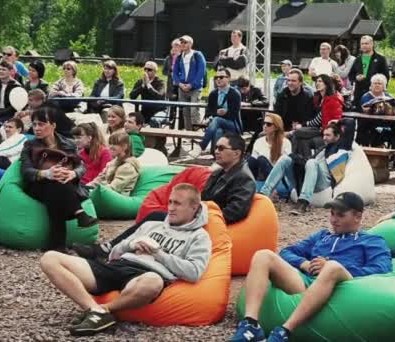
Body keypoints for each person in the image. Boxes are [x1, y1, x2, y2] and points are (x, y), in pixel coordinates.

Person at [40, 183, 212, 336]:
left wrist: (158, 254)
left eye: (178, 204)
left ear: (194, 208)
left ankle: (104, 310)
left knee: (153, 282)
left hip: (146, 275)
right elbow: (113, 253)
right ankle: (94, 310)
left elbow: (194, 273)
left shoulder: (199, 237)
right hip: (118, 265)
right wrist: (131, 244)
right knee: (50, 259)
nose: (171, 208)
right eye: (170, 202)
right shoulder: (152, 225)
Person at [230, 192, 392, 342]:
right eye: (332, 214)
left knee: (332, 267)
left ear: (357, 217)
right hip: (308, 283)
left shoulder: (372, 241)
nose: (334, 220)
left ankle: (284, 332)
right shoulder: (323, 236)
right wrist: (305, 264)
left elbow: (382, 269)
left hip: (343, 288)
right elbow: (287, 251)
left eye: (341, 215)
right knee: (263, 255)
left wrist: (333, 266)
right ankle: (250, 325)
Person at [72, 133, 256, 259]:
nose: (217, 151)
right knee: (155, 220)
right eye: (216, 147)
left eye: (222, 148)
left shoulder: (243, 178)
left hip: (209, 223)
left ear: (237, 153)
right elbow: (202, 198)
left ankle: (109, 250)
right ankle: (113, 250)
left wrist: (196, 217)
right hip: (201, 217)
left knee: (156, 218)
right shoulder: (219, 173)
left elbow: (235, 212)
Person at [21, 106, 97, 250]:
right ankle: (79, 213)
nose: (37, 128)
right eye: (34, 124)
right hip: (39, 185)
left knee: (57, 186)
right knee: (54, 183)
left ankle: (57, 245)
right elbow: (26, 171)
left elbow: (82, 166)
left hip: (65, 184)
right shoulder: (30, 145)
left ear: (53, 125)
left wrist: (73, 174)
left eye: (41, 124)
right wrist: (46, 173)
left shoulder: (68, 143)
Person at [260, 119, 355, 213]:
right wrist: (297, 159)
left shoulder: (342, 147)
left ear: (337, 136)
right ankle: (263, 194)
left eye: (328, 135)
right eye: (324, 135)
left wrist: (338, 123)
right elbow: (307, 164)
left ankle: (303, 202)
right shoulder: (322, 149)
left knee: (312, 162)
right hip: (308, 179)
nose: (324, 138)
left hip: (323, 183)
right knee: (286, 159)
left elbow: (350, 123)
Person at [189, 69, 242, 158]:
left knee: (217, 119)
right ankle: (217, 156)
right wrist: (215, 113)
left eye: (221, 77)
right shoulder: (213, 94)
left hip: (232, 124)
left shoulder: (235, 93)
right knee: (218, 131)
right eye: (216, 77)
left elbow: (234, 114)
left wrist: (225, 112)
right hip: (217, 125)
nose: (218, 79)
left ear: (228, 79)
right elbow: (209, 112)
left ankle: (201, 146)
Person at [292, 74, 344, 159]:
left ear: (327, 84)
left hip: (326, 130)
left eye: (320, 81)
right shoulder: (320, 98)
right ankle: (305, 161)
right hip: (320, 128)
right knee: (301, 140)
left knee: (296, 133)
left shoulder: (332, 99)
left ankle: (296, 159)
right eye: (316, 81)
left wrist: (303, 125)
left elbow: (320, 119)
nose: (317, 83)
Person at [359, 73, 395, 148]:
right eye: (375, 83)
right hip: (371, 123)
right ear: (371, 85)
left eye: (379, 83)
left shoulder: (388, 96)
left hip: (387, 122)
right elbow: (366, 109)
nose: (377, 85)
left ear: (384, 86)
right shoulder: (366, 96)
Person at [172, 35, 207, 131]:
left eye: (185, 42)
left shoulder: (197, 55)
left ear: (190, 44)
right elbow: (174, 72)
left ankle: (196, 132)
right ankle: (188, 133)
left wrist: (192, 85)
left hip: (195, 88)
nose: (183, 44)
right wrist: (180, 84)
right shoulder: (179, 57)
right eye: (181, 42)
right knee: (185, 112)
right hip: (182, 88)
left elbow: (201, 71)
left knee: (194, 110)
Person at [350, 35, 390, 111]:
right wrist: (356, 77)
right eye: (362, 44)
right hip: (359, 93)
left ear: (372, 44)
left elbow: (386, 76)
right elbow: (351, 74)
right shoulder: (358, 59)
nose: (364, 46)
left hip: (375, 94)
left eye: (366, 43)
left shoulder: (380, 59)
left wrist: (382, 89)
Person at [247, 113, 292, 181]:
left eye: (268, 124)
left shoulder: (285, 142)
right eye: (264, 123)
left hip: (279, 176)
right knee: (251, 160)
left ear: (276, 127)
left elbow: (285, 166)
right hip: (261, 175)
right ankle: (250, 184)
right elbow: (253, 163)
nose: (265, 126)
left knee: (262, 159)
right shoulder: (258, 141)